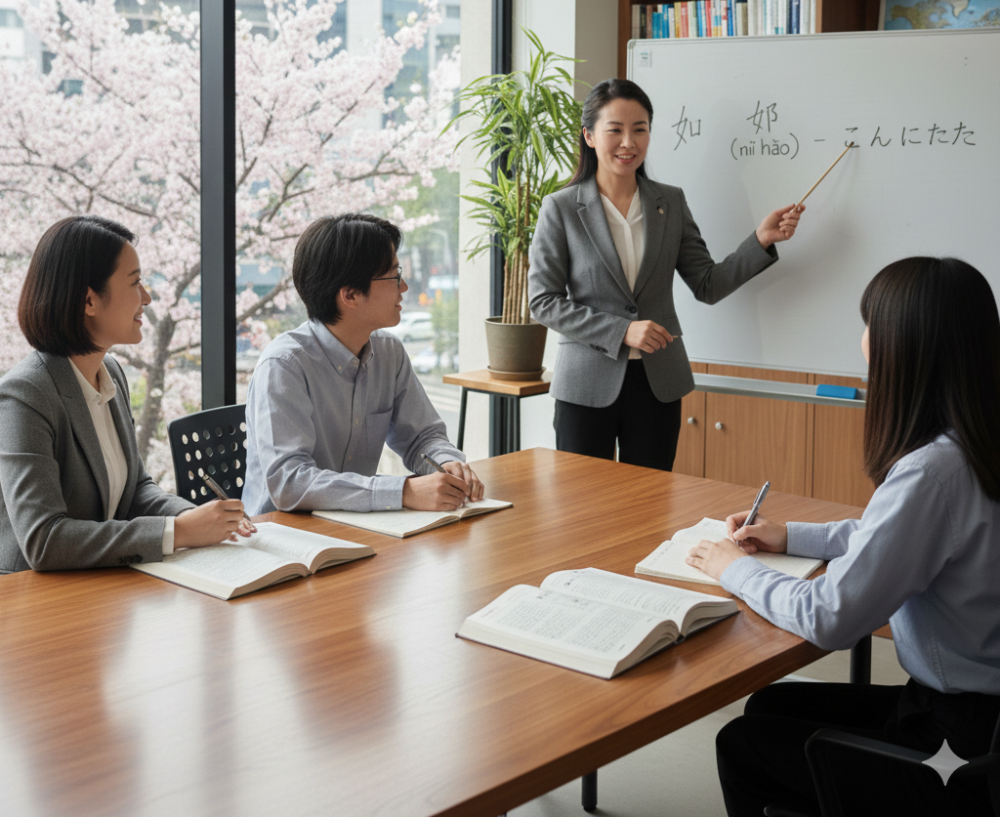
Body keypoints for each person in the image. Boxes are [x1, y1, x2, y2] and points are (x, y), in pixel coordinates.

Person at [686, 256, 1000, 817]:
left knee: (742, 744)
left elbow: (830, 618)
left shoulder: (932, 473)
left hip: (956, 745)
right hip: (980, 717)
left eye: (869, 325)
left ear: (907, 345)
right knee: (770, 705)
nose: (862, 341)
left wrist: (732, 567)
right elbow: (900, 537)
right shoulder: (977, 443)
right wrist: (791, 536)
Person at [527, 77, 803, 471]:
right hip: (585, 387)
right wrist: (622, 331)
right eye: (615, 130)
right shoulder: (561, 208)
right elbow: (543, 302)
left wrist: (760, 241)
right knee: (582, 511)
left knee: (652, 510)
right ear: (589, 136)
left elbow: (707, 284)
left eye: (640, 129)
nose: (629, 142)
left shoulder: (669, 202)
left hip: (657, 383)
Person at [0, 216, 253, 574]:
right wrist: (178, 531)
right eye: (135, 282)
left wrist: (195, 518)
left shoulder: (112, 372)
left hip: (101, 587)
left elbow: (135, 490)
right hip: (35, 602)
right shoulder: (25, 395)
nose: (146, 298)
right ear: (89, 300)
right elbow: (44, 539)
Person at [242, 213, 483, 516]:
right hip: (285, 538)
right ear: (350, 295)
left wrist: (447, 463)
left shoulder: (388, 352)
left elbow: (422, 436)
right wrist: (403, 491)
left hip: (358, 527)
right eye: (394, 276)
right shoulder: (283, 366)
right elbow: (290, 482)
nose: (404, 287)